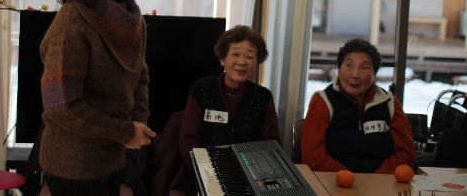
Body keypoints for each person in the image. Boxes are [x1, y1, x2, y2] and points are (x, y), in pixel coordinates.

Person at [38, 0, 156, 196]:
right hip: (73, 167)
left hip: (112, 159)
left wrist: (137, 123)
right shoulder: (73, 21)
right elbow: (61, 106)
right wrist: (126, 132)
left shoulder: (131, 18)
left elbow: (139, 76)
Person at [172, 25, 280, 195]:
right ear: (222, 59)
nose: (242, 62)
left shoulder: (263, 97)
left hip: (249, 178)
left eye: (249, 56)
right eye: (235, 54)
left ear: (257, 62)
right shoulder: (202, 89)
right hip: (203, 173)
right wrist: (209, 173)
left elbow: (271, 143)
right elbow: (188, 140)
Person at [302, 38, 416, 173]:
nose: (355, 75)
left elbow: (406, 155)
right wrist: (348, 178)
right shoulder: (323, 101)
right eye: (349, 65)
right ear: (339, 69)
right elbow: (313, 158)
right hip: (333, 180)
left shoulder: (389, 102)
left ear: (374, 73)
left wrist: (375, 179)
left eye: (364, 67)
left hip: (382, 181)